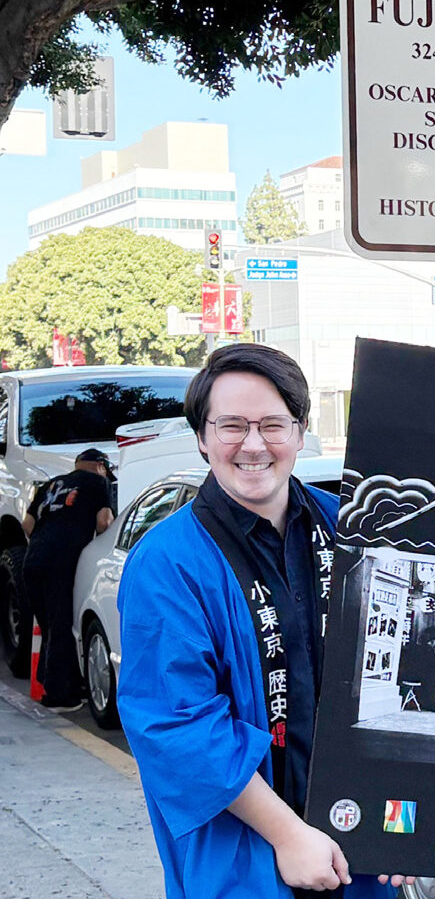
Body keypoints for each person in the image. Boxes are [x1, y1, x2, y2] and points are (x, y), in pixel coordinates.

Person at [117, 344, 410, 899]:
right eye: (231, 426)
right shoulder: (169, 561)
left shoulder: (347, 531)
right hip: (244, 859)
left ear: (302, 432)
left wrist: (406, 827)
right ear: (202, 437)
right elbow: (177, 727)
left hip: (358, 847)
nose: (253, 445)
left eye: (274, 425)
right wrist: (289, 834)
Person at [21, 447, 115, 711]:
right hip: (62, 562)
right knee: (62, 623)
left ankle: (59, 682)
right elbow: (104, 522)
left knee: (50, 624)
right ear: (100, 466)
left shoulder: (51, 484)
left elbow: (27, 524)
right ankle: (58, 695)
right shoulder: (99, 483)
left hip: (33, 560)